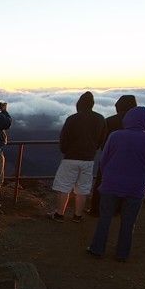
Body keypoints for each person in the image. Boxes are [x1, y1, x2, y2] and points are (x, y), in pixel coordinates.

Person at [88, 107, 145, 261]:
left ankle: (97, 249)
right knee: (128, 222)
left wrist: (107, 176)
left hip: (110, 184)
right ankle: (122, 254)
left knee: (105, 218)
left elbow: (104, 160)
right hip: (136, 187)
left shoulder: (115, 136)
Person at [49, 91, 106, 222]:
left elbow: (64, 138)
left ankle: (59, 214)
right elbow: (102, 139)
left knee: (64, 186)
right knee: (83, 189)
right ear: (92, 104)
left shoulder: (72, 119)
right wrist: (93, 149)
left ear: (79, 104)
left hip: (70, 158)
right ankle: (78, 216)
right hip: (89, 159)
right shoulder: (100, 118)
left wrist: (65, 151)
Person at [89, 95, 137, 216]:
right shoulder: (140, 122)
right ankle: (119, 209)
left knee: (102, 183)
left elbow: (103, 141)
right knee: (125, 184)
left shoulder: (110, 120)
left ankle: (96, 210)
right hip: (132, 160)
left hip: (111, 158)